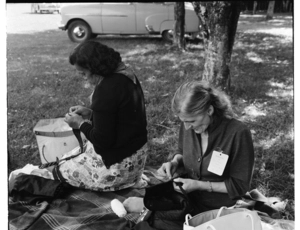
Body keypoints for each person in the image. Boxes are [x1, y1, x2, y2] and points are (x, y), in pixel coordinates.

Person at [123, 81, 254, 214]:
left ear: (209, 110)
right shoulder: (189, 125)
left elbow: (240, 186)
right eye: (183, 121)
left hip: (220, 206)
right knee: (151, 223)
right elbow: (181, 151)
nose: (187, 127)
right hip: (187, 197)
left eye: (192, 121)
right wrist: (175, 162)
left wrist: (199, 185)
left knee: (167, 226)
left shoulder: (238, 133)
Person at [56, 40, 148, 192]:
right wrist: (91, 114)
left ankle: (118, 184)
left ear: (95, 69)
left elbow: (102, 141)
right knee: (72, 156)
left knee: (61, 168)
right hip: (137, 158)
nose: (84, 78)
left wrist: (80, 124)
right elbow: (122, 119)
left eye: (84, 73)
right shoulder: (126, 75)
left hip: (118, 168)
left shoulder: (105, 90)